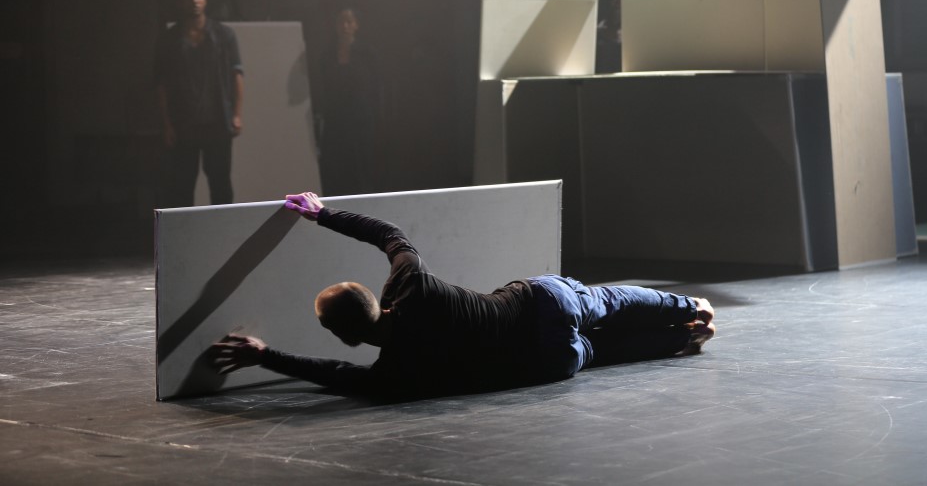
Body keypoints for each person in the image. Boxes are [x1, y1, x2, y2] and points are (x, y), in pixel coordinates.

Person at [212, 192, 715, 398]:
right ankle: (691, 307)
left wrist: (265, 355)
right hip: (542, 305)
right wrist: (323, 214)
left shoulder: (395, 370)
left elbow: (339, 374)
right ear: (372, 297)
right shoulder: (412, 284)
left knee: (599, 351)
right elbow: (389, 234)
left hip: (545, 360)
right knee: (605, 303)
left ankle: (683, 339)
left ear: (346, 335)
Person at [154, 0, 244, 206]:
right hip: (184, 122)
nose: (194, 1)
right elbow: (162, 83)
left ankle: (224, 227)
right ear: (180, 1)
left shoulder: (223, 35)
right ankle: (187, 228)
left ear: (205, 0)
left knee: (220, 184)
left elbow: (236, 74)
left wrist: (236, 114)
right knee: (182, 185)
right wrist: (166, 123)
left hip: (217, 121)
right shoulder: (170, 39)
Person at [316, 7, 379, 195]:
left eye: (349, 22)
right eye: (341, 22)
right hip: (336, 118)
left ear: (356, 25)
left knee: (361, 163)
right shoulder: (327, 55)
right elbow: (323, 85)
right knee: (337, 164)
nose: (345, 26)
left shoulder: (367, 53)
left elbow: (375, 84)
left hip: (360, 117)